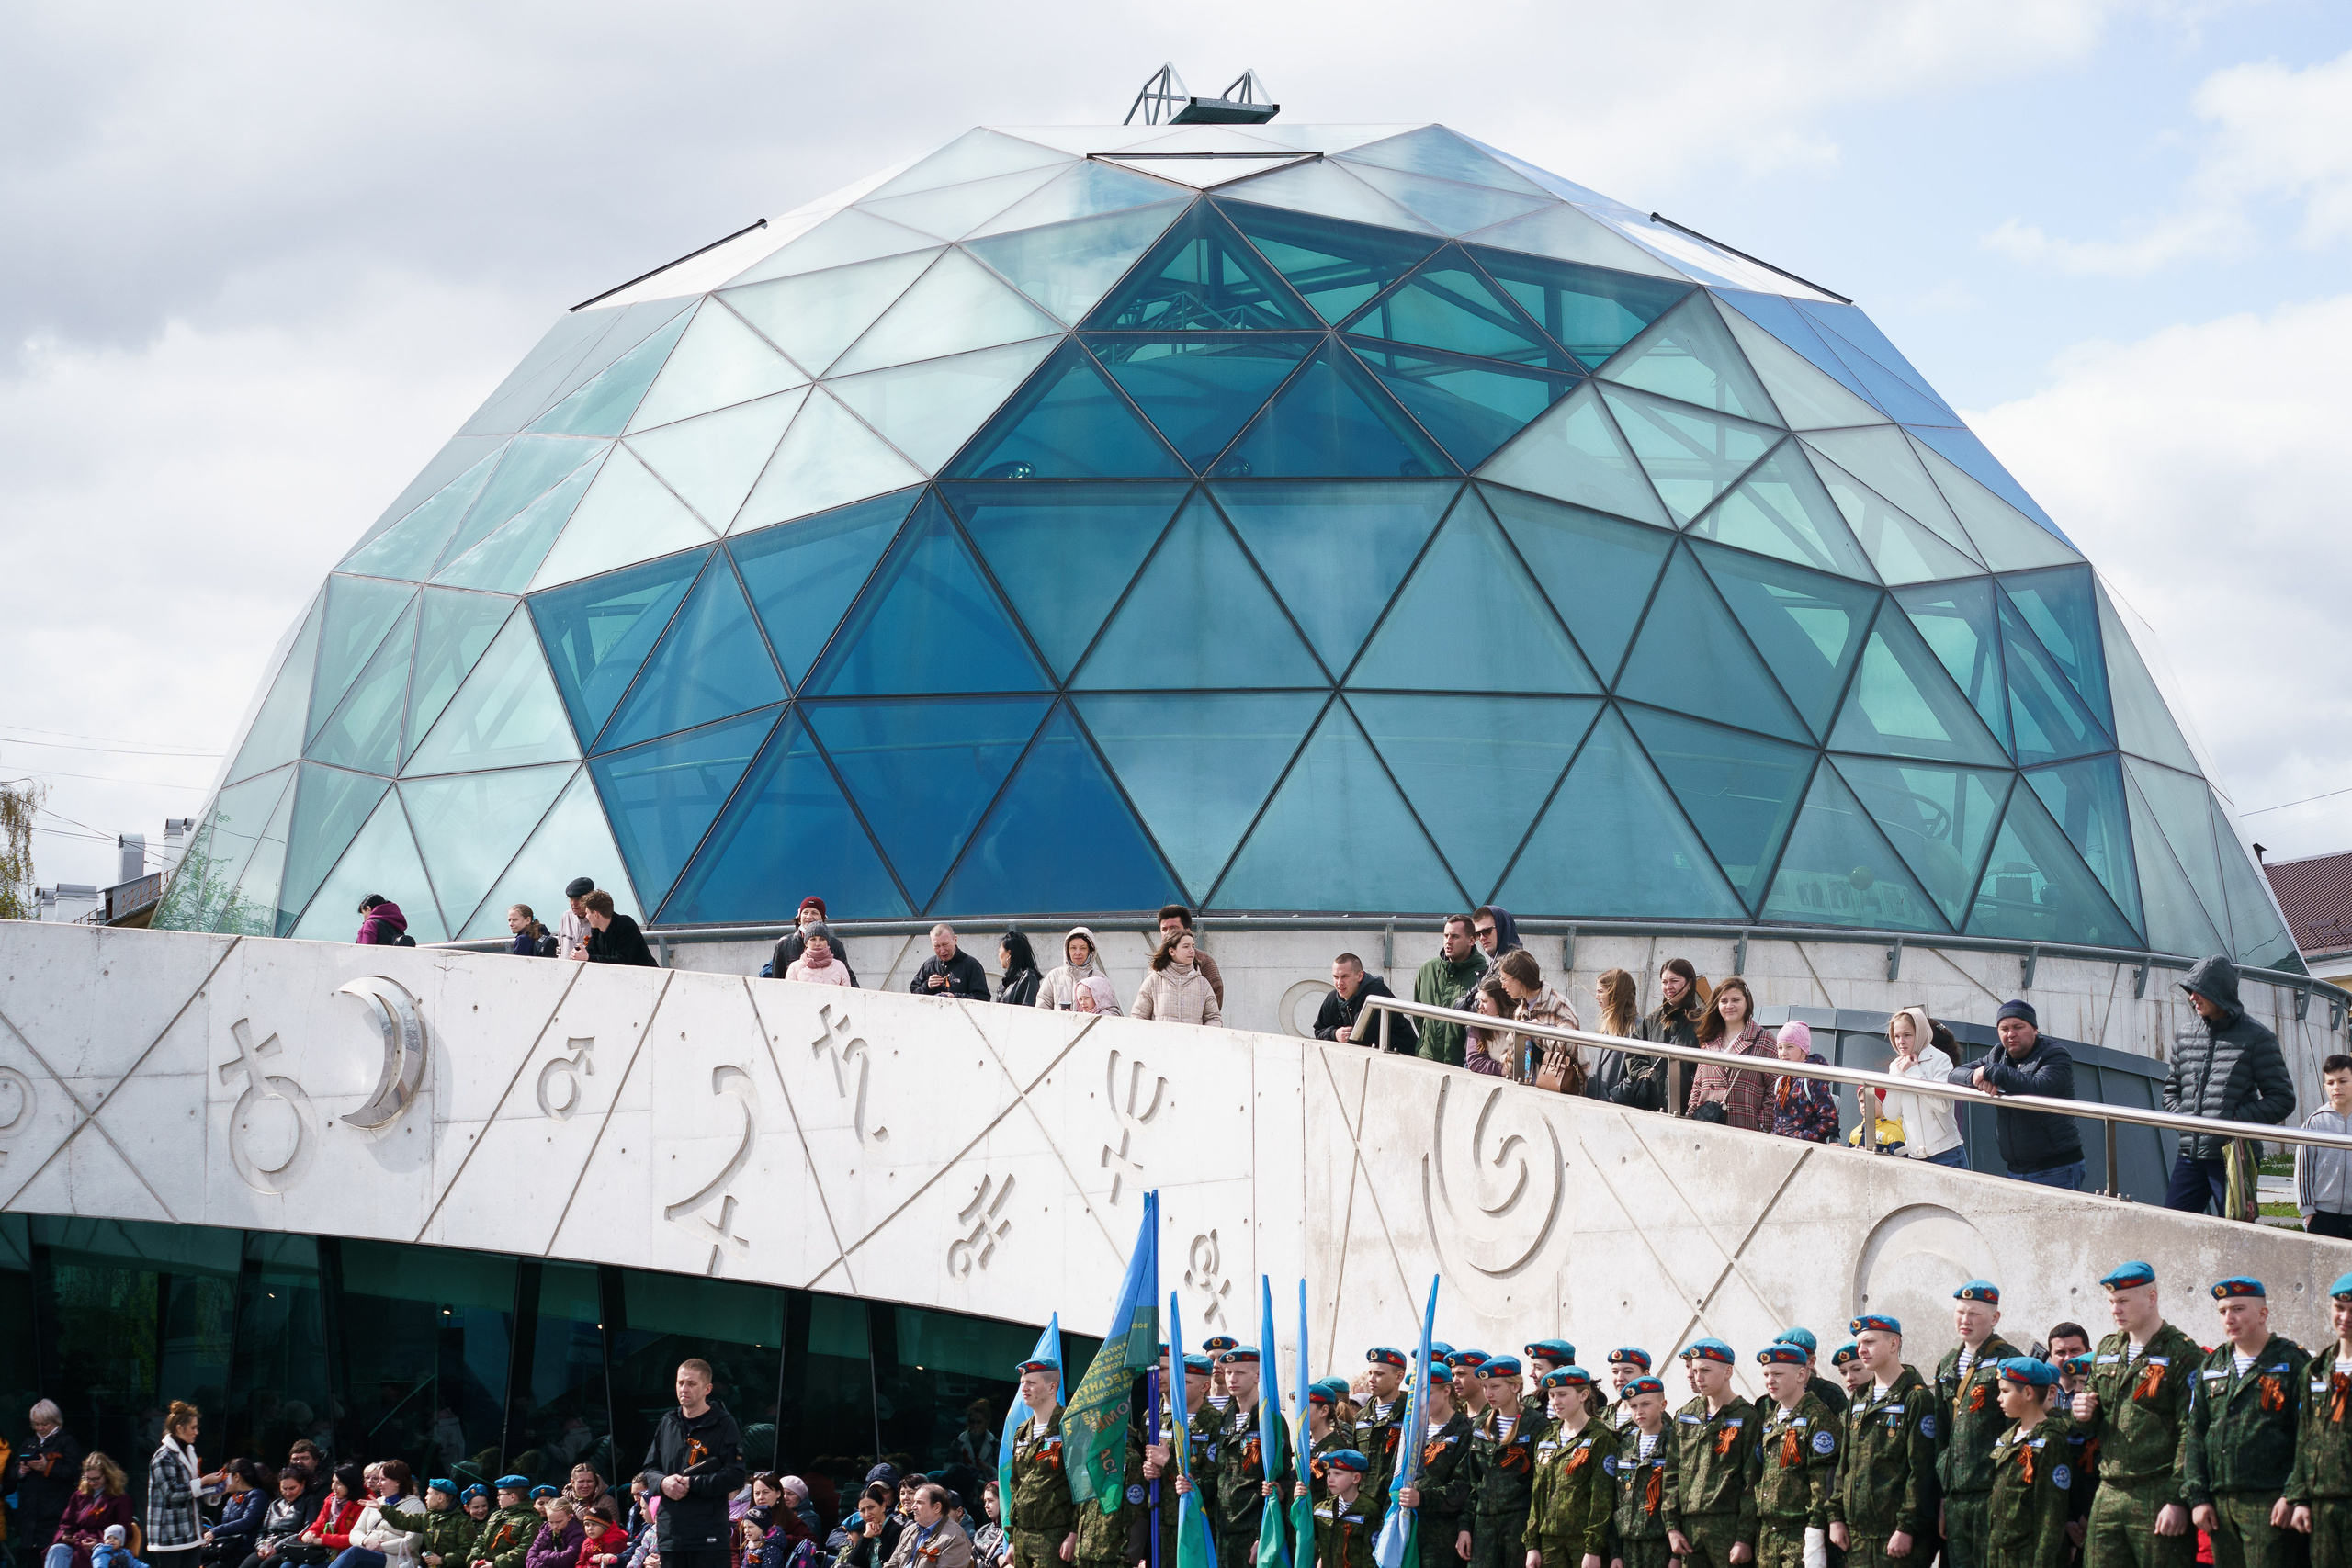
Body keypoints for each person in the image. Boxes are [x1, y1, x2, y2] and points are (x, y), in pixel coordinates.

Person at [2069, 1262, 2199, 1568]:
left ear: (2152, 1297)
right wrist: (2083, 1415)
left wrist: (2178, 1499)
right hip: (2109, 1490)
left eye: (2124, 1301)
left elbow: (2191, 1432)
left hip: (2156, 1492)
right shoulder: (2108, 1348)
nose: (2116, 1309)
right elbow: (2090, 1423)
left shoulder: (2183, 1353)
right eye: (2112, 1302)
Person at [2181, 1278, 2306, 1568]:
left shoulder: (2291, 1360)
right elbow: (2196, 1432)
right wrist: (2198, 1497)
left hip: (2270, 1503)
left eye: (2238, 1309)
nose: (2229, 1318)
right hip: (2220, 1507)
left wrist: (2293, 1495)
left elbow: (2308, 1435)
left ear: (2263, 1314)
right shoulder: (2212, 1366)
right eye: (2223, 1311)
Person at [2164, 958, 2295, 1217]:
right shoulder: (2185, 1033)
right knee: (2172, 1226)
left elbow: (2283, 1099)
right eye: (2190, 991)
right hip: (2190, 1155)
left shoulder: (2258, 1037)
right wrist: (2183, 1119)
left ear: (2219, 992)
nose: (2192, 998)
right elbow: (2171, 1090)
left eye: (2198, 991)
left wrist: (2233, 1122)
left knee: (2236, 1235)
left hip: (2234, 1156)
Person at [1830, 1315, 1936, 1568]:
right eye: (1859, 1344)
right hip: (1857, 1538)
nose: (1861, 1350)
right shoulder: (1858, 1400)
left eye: (1869, 1342)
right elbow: (1844, 1463)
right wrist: (1835, 1516)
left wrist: (1907, 1528)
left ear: (1893, 1344)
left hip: (1895, 1537)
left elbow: (1921, 1470)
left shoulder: (1916, 1398)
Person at [1946, 1001, 2082, 1190]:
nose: (2011, 1034)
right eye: (2004, 1028)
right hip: (2016, 1169)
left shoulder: (2055, 1055)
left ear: (2035, 1029)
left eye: (2018, 1027)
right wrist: (1976, 1077)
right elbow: (1954, 1074)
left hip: (2055, 1168)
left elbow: (2038, 1086)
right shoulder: (1999, 1053)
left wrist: (1992, 1071)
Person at [1939, 1284, 2027, 1568]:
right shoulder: (1948, 1363)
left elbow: (2018, 1428)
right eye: (1960, 1312)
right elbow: (1942, 1434)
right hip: (1955, 1497)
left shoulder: (2010, 1360)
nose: (1965, 1320)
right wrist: (1943, 1495)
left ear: (1994, 1318)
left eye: (1974, 1313)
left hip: (1991, 1492)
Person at [638, 1360, 746, 1568]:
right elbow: (649, 1469)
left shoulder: (724, 1424)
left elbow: (735, 1475)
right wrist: (663, 1483)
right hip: (671, 1536)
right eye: (680, 1383)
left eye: (691, 1383)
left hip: (709, 1538)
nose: (683, 1389)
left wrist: (692, 1484)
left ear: (707, 1389)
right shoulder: (667, 1421)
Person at [1662, 1340, 1755, 1568]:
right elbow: (1672, 1472)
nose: (1698, 1377)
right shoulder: (1686, 1414)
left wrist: (1744, 1537)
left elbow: (1752, 1481)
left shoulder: (1746, 1416)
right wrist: (1672, 1527)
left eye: (1705, 1370)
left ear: (1728, 1371)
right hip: (1690, 1529)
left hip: (1727, 1527)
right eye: (1694, 1370)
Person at [2282, 1270, 2352, 1562]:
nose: (2345, 1317)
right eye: (2339, 1308)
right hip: (2322, 1507)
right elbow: (2305, 1435)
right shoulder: (2316, 1369)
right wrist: (2298, 1498)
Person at [1749, 1343, 1838, 1568]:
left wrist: (1816, 1531)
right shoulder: (1770, 1418)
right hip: (1768, 1533)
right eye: (1766, 1374)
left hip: (1800, 1532)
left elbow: (1822, 1479)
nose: (1770, 1380)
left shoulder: (1817, 1416)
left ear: (1801, 1374)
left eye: (1778, 1374)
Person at [1525, 1366, 1616, 1568]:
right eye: (1551, 1395)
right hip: (1549, 1541)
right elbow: (1537, 1493)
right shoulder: (1546, 1437)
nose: (1555, 1401)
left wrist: (1593, 1549)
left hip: (1581, 1542)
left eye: (1562, 1394)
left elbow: (1602, 1498)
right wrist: (1532, 1544)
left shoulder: (1599, 1438)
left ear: (1583, 1395)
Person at [1984, 1361, 2072, 1568]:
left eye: (2005, 1391)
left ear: (2028, 1393)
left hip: (2029, 1556)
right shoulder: (2008, 1437)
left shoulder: (2050, 1441)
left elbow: (2051, 1514)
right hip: (2001, 1554)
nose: (1999, 1398)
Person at [1391, 1356, 1475, 1568]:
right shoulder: (1411, 1431)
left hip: (1442, 1537)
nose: (1420, 1400)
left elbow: (1464, 1486)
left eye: (1426, 1392)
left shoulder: (1464, 1429)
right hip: (1407, 1529)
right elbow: (1394, 1476)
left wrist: (1423, 1498)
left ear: (1446, 1391)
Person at [1464, 1357, 1546, 1568]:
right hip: (1483, 1524)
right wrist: (1465, 1526)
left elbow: (1539, 1485)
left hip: (1518, 1522)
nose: (1488, 1394)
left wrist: (1533, 1540)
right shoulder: (1480, 1426)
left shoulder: (1535, 1424)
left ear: (1515, 1386)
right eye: (1484, 1387)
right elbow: (1472, 1481)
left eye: (1495, 1387)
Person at [1003, 1359, 1074, 1568]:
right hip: (1023, 1535)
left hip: (1054, 1536)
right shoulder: (1022, 1432)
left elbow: (1082, 1485)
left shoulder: (1069, 1428)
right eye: (1022, 1382)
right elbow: (1016, 1485)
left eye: (1031, 1383)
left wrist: (1074, 1532)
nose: (1024, 1388)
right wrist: (1014, 1538)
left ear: (1052, 1387)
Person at [1689, 977, 1776, 1131]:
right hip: (1707, 1126)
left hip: (1745, 1128)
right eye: (1724, 1001)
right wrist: (1691, 1115)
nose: (1729, 1006)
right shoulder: (1709, 1039)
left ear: (1747, 1002)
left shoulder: (1763, 1039)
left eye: (1736, 1000)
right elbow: (1698, 1086)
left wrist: (1762, 1123)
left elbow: (1775, 1088)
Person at [1883, 1009, 1965, 1168]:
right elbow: (1891, 1113)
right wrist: (1900, 1074)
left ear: (1920, 1033)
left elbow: (1944, 1104)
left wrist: (1913, 1072)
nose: (1901, 1041)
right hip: (1915, 1156)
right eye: (1897, 1036)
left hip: (1947, 1153)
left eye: (1907, 1035)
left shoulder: (1940, 1059)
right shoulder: (1896, 1066)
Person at [1609, 1376, 1675, 1568]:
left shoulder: (1674, 1443)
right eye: (1633, 1406)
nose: (1639, 1412)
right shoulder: (1624, 1445)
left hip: (1661, 1544)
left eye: (1645, 1404)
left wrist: (1676, 1557)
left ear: (1662, 1405)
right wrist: (1615, 1554)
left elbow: (1678, 1498)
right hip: (1627, 1545)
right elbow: (1616, 1501)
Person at [1496, 950, 1580, 1089]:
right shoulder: (1521, 1010)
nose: (1502, 985)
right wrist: (1520, 1042)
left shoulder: (1558, 1004)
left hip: (1558, 1088)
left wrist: (1536, 1032)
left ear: (1519, 979)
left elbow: (1570, 1045)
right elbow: (1505, 1059)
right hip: (1528, 1087)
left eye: (1504, 979)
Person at [1630, 960, 1706, 1114]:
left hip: (1689, 1110)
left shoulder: (1703, 1022)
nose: (1668, 987)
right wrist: (1646, 1074)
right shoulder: (1652, 1020)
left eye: (1674, 981)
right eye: (1664, 982)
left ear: (1690, 983)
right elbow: (1633, 1055)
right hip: (1651, 1108)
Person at [1415, 915, 1489, 1067]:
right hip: (1426, 1059)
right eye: (1446, 936)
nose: (1448, 941)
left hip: (1461, 1064)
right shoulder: (1427, 970)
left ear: (1471, 940)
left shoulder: (1484, 976)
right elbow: (1418, 1017)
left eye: (1455, 936)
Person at [148, 1402, 217, 1567]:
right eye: (193, 1428)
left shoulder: (189, 1453)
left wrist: (217, 1489)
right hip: (168, 1535)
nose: (196, 1432)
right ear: (179, 1429)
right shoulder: (163, 1457)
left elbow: (193, 1489)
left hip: (190, 1532)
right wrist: (203, 1482)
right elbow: (172, 1492)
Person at [1314, 953, 1419, 1054]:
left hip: (1401, 1057)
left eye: (1345, 977)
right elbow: (1318, 1030)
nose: (1339, 983)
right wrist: (1334, 1034)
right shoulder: (1332, 999)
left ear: (1360, 976)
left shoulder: (1376, 995)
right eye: (1336, 977)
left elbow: (1361, 1039)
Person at [20, 1400, 85, 1554]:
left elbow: (74, 1472)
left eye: (45, 1424)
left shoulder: (67, 1441)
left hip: (55, 1511)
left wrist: (47, 1467)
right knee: (31, 1557)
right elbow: (12, 1473)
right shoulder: (29, 1442)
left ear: (56, 1421)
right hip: (30, 1514)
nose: (40, 1428)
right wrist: (21, 1469)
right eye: (36, 1424)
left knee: (52, 1554)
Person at [48, 1453, 135, 1568]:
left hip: (104, 1546)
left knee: (94, 1556)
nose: (92, 1482)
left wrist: (101, 1543)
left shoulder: (120, 1499)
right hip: (78, 1542)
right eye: (88, 1478)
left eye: (96, 1478)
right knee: (57, 1549)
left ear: (107, 1475)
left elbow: (124, 1532)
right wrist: (65, 1535)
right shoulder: (79, 1495)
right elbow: (66, 1522)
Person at [2298, 1056, 2352, 1237]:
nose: (2336, 1086)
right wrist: (2308, 1212)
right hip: (2322, 1215)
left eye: (2343, 1081)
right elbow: (2303, 1170)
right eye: (2330, 1082)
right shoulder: (2315, 1122)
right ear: (2325, 1086)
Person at [1770, 1022, 1840, 1145]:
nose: (1783, 1053)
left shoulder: (1812, 1078)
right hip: (1781, 1147)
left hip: (1806, 1150)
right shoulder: (1781, 1081)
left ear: (1804, 1050)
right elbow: (1778, 1121)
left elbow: (1830, 1120)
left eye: (1789, 1047)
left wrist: (1800, 1138)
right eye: (1780, 1048)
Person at [1132, 931, 1221, 1027]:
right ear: (1172, 951)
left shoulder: (1203, 984)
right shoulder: (1153, 981)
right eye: (1186, 946)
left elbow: (1214, 1018)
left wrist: (1203, 1037)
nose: (1192, 951)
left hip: (1192, 1042)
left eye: (1193, 946)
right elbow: (1138, 1017)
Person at [769, 899, 861, 987]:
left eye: (814, 913)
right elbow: (777, 981)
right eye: (805, 912)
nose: (809, 917)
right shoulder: (784, 944)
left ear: (823, 919)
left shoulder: (835, 945)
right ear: (799, 919)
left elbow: (848, 978)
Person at [1307, 1450, 1374, 1568]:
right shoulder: (1322, 1509)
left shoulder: (1369, 1510)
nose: (1330, 1479)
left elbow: (1370, 1557)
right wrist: (1299, 1502)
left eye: (1337, 1474)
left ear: (1356, 1478)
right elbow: (1307, 1536)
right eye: (1328, 1474)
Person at [1585, 969, 1643, 1106]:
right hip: (1598, 1105)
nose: (1596, 997)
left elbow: (1638, 1074)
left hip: (1616, 1108)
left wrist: (1614, 1097)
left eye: (1600, 991)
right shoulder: (1609, 1026)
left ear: (1614, 993)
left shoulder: (1637, 1029)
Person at [880, 1486, 967, 1568]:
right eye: (914, 1502)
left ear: (937, 1507)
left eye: (919, 1502)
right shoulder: (909, 1531)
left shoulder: (955, 1538)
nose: (913, 1507)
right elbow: (892, 1564)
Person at [208, 1461, 273, 1568]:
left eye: (225, 1478)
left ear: (236, 1477)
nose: (222, 1482)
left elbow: (247, 1522)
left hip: (244, 1550)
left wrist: (215, 1531)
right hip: (227, 1549)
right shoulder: (231, 1499)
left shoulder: (257, 1495)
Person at [1155, 908, 1224, 1010]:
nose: (1168, 933)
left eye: (1173, 928)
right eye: (1164, 929)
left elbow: (1216, 999)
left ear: (1187, 930)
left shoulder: (1204, 961)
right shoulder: (1157, 962)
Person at [246, 1470, 316, 1568]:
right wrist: (260, 1547)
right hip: (268, 1546)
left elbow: (307, 1529)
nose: (288, 1493)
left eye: (292, 1488)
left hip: (289, 1547)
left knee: (266, 1565)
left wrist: (277, 1547)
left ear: (302, 1485)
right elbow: (262, 1531)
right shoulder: (275, 1504)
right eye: (284, 1489)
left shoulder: (308, 1501)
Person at [1035, 930, 1112, 1012]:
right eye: (1073, 948)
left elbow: (1114, 1013)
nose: (1077, 953)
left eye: (1083, 948)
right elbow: (1040, 1011)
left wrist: (1092, 1015)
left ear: (1090, 951)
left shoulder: (1100, 978)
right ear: (1067, 951)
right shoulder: (1054, 976)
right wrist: (1061, 1017)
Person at [575, 892, 657, 967]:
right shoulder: (596, 930)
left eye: (587, 913)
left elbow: (623, 961)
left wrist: (588, 957)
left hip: (647, 977)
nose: (586, 916)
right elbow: (590, 953)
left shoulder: (626, 925)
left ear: (595, 914)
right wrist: (580, 953)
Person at [909, 926, 989, 1001]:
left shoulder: (971, 965)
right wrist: (927, 986)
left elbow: (983, 998)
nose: (942, 950)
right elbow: (913, 995)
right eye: (937, 946)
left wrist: (955, 997)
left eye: (945, 944)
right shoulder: (929, 965)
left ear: (955, 940)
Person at [1465, 978, 1516, 1077]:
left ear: (1498, 1001)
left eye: (1484, 1001)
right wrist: (1502, 1070)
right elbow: (1475, 1060)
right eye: (1479, 1001)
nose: (1480, 1006)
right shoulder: (1479, 1021)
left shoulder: (1518, 1017)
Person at [784, 925, 854, 987]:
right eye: (813, 939)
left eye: (822, 939)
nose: (817, 944)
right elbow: (790, 996)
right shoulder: (795, 967)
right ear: (806, 943)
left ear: (827, 942)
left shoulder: (839, 966)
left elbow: (846, 996)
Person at [523, 1499, 584, 1568]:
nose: (555, 1526)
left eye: (559, 1522)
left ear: (569, 1517)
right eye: (551, 1522)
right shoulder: (546, 1531)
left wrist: (544, 1555)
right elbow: (530, 1557)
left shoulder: (577, 1533)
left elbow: (568, 1559)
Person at [994, 934, 1042, 1008]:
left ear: (1009, 954)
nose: (999, 955)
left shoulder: (1028, 978)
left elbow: (1027, 1010)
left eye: (999, 951)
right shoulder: (1009, 979)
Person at [558, 879, 595, 962]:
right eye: (571, 898)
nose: (574, 903)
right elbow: (560, 948)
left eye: (578, 899)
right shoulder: (566, 917)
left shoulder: (597, 920)